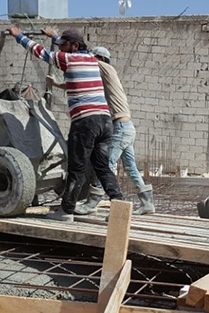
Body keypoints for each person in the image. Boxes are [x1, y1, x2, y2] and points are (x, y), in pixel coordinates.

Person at [6, 26, 123, 222]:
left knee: (76, 168)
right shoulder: (92, 60)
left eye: (64, 46)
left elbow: (40, 52)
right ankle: (120, 206)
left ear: (74, 46)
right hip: (104, 121)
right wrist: (55, 37)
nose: (60, 49)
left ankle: (66, 211)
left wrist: (18, 36)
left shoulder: (68, 59)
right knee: (102, 167)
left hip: (85, 122)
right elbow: (69, 46)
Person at [55, 46, 154, 216]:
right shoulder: (107, 75)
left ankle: (92, 203)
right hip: (127, 126)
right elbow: (78, 82)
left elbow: (82, 62)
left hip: (120, 127)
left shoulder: (103, 67)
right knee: (130, 167)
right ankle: (147, 202)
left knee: (105, 165)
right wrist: (58, 84)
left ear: (99, 58)